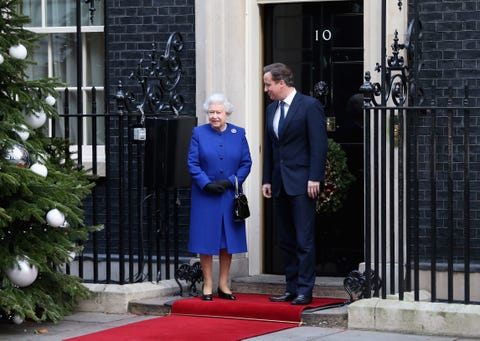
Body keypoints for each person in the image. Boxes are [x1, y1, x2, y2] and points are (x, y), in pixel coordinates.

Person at [262, 63, 328, 305]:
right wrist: (267, 179)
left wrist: (315, 177)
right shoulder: (271, 110)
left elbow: (319, 145)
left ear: (282, 83)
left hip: (302, 182)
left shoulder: (309, 106)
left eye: (268, 84)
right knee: (286, 240)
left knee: (303, 239)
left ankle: (304, 289)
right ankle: (290, 287)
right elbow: (271, 147)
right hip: (279, 183)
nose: (266, 89)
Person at [187, 93, 252, 301]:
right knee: (205, 239)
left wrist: (232, 181)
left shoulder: (238, 133)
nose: (214, 116)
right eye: (211, 112)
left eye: (218, 112)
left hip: (229, 195)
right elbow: (192, 163)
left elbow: (246, 163)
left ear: (227, 113)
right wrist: (206, 183)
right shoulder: (199, 133)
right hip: (205, 195)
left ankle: (224, 284)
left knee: (227, 241)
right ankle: (208, 284)